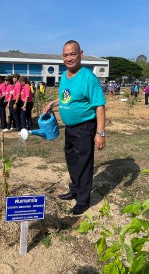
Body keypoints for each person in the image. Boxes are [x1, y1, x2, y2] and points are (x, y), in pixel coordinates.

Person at [43, 40, 106, 216]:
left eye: (73, 54)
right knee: (71, 160)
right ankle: (75, 189)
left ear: (81, 54)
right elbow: (66, 98)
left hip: (85, 127)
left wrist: (100, 133)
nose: (69, 58)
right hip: (69, 128)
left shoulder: (88, 77)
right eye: (65, 55)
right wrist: (53, 103)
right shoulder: (64, 76)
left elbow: (99, 105)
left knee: (84, 163)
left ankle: (83, 200)